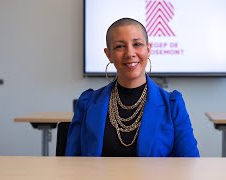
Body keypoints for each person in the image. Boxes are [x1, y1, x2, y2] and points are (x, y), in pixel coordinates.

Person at [65, 17, 200, 157]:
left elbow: (189, 165)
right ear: (109, 54)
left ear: (148, 49)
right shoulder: (87, 103)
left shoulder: (173, 105)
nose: (130, 53)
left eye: (137, 44)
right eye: (120, 46)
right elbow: (72, 164)